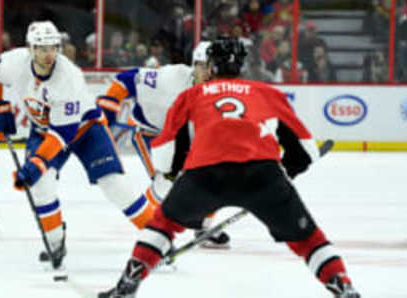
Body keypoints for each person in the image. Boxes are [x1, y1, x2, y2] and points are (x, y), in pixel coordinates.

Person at [97, 38, 361, 298]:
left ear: (211, 67)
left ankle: (126, 287)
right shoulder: (266, 92)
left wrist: (176, 174)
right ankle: (344, 287)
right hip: (262, 173)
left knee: (163, 225)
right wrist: (285, 172)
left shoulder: (191, 95)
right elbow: (306, 151)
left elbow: (166, 155)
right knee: (308, 239)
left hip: (204, 174)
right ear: (242, 68)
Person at [0, 21, 157, 269]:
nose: (49, 54)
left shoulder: (68, 76)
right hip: (44, 131)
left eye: (53, 47)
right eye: (42, 49)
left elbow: (62, 133)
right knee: (41, 186)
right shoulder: (14, 62)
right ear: (30, 48)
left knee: (115, 185)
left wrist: (36, 164)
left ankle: (157, 239)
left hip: (86, 130)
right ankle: (55, 243)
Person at [97, 41, 230, 249]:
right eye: (204, 65)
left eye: (214, 66)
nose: (209, 72)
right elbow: (125, 80)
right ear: (194, 65)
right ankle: (152, 231)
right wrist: (109, 108)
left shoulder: (224, 92)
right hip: (152, 133)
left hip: (183, 138)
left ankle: (203, 227)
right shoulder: (170, 79)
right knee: (166, 183)